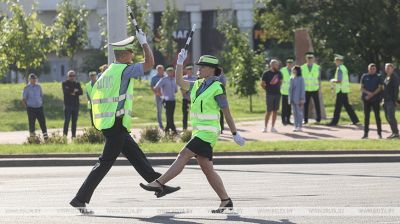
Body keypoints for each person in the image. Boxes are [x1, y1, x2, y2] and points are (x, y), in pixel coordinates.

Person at [69, 31, 179, 214]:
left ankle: (158, 185)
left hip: (112, 123)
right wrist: (145, 43)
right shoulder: (123, 69)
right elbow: (149, 64)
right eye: (131, 52)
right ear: (124, 54)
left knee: (136, 156)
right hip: (116, 124)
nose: (133, 55)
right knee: (104, 163)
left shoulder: (107, 72)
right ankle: (80, 198)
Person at [140, 50, 246, 213]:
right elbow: (179, 81)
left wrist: (234, 133)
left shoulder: (218, 87)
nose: (199, 69)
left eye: (202, 67)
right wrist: (179, 63)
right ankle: (226, 201)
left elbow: (226, 112)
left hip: (208, 133)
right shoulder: (197, 84)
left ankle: (159, 183)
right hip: (199, 132)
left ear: (211, 69)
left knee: (184, 154)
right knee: (207, 169)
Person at [328, 54, 359, 126]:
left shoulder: (340, 69)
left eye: (336, 61)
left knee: (337, 107)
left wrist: (333, 80)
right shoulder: (344, 68)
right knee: (347, 105)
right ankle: (355, 120)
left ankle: (334, 122)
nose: (335, 62)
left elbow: (339, 80)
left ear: (339, 61)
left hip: (341, 90)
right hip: (344, 90)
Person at [21, 74, 48, 140]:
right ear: (29, 79)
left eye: (34, 78)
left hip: (39, 108)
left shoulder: (39, 87)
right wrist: (26, 107)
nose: (33, 80)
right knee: (32, 124)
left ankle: (46, 138)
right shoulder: (26, 88)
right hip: (31, 108)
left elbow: (41, 96)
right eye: (32, 78)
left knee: (42, 123)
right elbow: (23, 99)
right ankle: (32, 139)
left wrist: (41, 103)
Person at [360, 63, 383, 139]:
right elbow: (362, 88)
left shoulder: (379, 76)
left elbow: (380, 88)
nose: (372, 70)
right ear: (368, 69)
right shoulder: (364, 76)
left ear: (375, 69)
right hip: (366, 99)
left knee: (377, 116)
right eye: (371, 69)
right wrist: (368, 93)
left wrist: (372, 94)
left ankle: (379, 134)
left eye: (373, 69)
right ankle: (365, 134)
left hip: (375, 99)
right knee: (366, 117)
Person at [154, 66, 178, 134]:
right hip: (166, 100)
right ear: (167, 72)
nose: (171, 72)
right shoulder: (164, 79)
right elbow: (156, 87)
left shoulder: (174, 80)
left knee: (171, 115)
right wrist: (160, 95)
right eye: (169, 71)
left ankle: (167, 129)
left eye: (172, 71)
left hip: (173, 100)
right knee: (168, 115)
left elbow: (176, 90)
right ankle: (173, 129)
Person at [261, 59, 282, 133]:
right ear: (272, 65)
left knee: (275, 111)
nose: (277, 66)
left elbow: (281, 82)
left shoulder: (279, 73)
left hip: (277, 94)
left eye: (278, 65)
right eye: (276, 64)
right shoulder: (266, 73)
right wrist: (267, 89)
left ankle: (273, 127)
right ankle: (265, 127)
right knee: (268, 111)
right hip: (269, 94)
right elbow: (262, 84)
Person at [301, 52, 321, 124]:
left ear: (313, 59)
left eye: (311, 58)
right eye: (308, 58)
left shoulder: (317, 67)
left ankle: (318, 119)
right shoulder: (302, 67)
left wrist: (319, 87)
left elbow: (319, 78)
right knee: (305, 105)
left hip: (315, 88)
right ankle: (305, 120)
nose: (309, 60)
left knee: (317, 104)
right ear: (306, 59)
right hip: (306, 89)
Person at [62, 70, 83, 138]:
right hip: (68, 105)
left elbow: (81, 92)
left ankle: (73, 136)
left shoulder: (77, 84)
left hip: (75, 105)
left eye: (73, 75)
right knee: (67, 121)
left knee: (74, 122)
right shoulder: (64, 83)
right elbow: (66, 92)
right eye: (70, 76)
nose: (72, 77)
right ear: (68, 76)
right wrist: (74, 91)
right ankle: (64, 136)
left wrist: (73, 92)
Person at [382, 63, 399, 139]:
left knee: (391, 117)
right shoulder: (387, 77)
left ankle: (396, 133)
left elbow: (396, 90)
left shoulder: (394, 77)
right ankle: (394, 132)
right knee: (388, 117)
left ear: (392, 68)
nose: (387, 69)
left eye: (389, 68)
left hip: (391, 101)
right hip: (385, 100)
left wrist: (395, 101)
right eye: (386, 68)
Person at [289, 66, 305, 132]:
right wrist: (289, 99)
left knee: (299, 113)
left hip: (299, 99)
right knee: (294, 113)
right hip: (292, 98)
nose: (293, 71)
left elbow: (302, 89)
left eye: (294, 70)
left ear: (298, 71)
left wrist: (302, 99)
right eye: (293, 70)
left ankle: (300, 126)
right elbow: (290, 89)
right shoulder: (291, 78)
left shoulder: (301, 78)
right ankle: (295, 126)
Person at [181, 64, 197, 131]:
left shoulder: (195, 78)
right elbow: (182, 89)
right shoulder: (184, 78)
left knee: (195, 114)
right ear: (186, 71)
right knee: (185, 114)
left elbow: (196, 88)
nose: (190, 71)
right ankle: (185, 129)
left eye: (191, 70)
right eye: (188, 70)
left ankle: (195, 128)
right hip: (185, 98)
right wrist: (188, 91)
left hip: (193, 99)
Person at [151, 65, 165, 129]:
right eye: (159, 70)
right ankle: (160, 125)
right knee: (159, 111)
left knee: (167, 111)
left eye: (161, 70)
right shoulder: (154, 78)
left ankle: (168, 124)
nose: (160, 71)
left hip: (166, 97)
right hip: (158, 97)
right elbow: (152, 87)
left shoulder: (165, 77)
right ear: (157, 70)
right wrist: (157, 93)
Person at [280, 58, 294, 125]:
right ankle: (283, 120)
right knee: (284, 107)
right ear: (286, 63)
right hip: (284, 91)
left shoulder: (294, 71)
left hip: (291, 92)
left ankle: (288, 120)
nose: (290, 64)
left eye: (291, 63)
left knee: (289, 107)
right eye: (288, 63)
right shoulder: (282, 70)